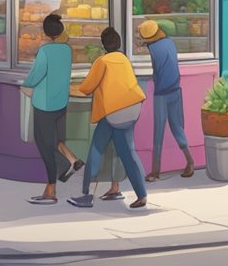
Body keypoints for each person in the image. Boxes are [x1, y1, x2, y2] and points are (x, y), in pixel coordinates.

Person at [68, 28, 149, 210]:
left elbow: (87, 87)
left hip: (113, 113)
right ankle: (141, 195)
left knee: (96, 151)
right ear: (118, 43)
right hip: (132, 108)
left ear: (103, 45)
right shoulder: (124, 60)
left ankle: (86, 195)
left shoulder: (102, 61)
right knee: (129, 153)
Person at [23, 13, 83, 204]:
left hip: (44, 104)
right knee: (50, 141)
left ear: (46, 32)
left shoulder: (45, 51)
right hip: (60, 103)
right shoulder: (67, 50)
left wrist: (25, 83)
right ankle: (72, 161)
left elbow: (35, 75)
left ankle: (51, 190)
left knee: (46, 146)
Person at [140, 20, 195, 183]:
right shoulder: (170, 42)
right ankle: (190, 161)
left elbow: (156, 71)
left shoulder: (153, 48)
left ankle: (156, 171)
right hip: (176, 90)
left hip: (161, 93)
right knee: (177, 127)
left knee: (158, 133)